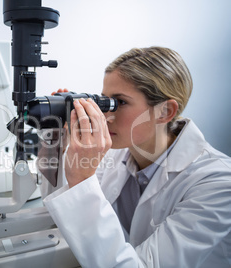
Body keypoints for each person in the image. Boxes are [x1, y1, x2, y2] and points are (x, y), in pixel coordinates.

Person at [43, 47, 231, 267]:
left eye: (119, 102)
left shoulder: (218, 183)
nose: (106, 115)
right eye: (104, 101)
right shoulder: (115, 154)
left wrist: (83, 179)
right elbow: (61, 210)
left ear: (165, 111)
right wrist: (54, 144)